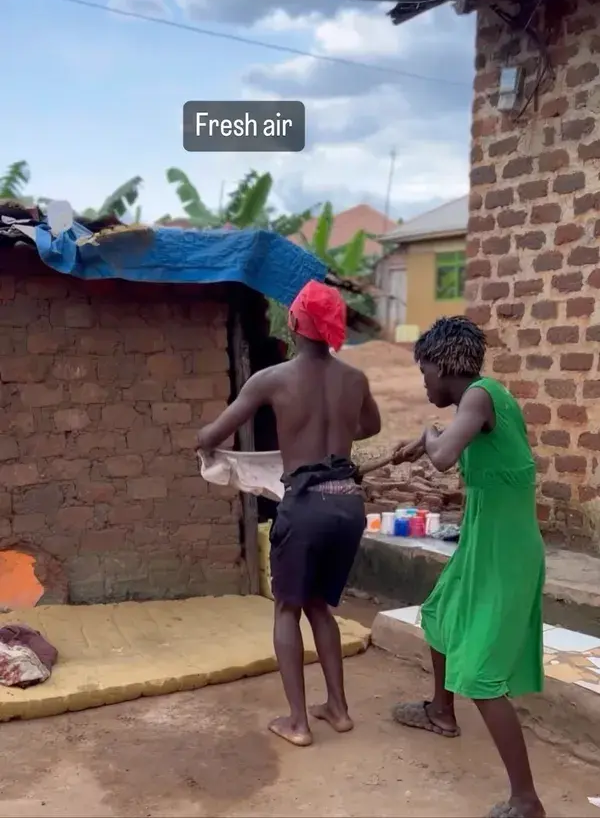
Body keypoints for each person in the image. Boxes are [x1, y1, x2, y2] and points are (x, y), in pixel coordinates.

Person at [196, 280, 381, 747]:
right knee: (320, 604)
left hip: (306, 503)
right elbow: (371, 425)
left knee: (287, 609)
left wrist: (206, 445)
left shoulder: (272, 380)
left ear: (295, 323)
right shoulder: (355, 379)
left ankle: (297, 722)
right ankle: (337, 708)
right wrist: (336, 429)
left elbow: (214, 434)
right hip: (347, 503)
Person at [392, 316, 545, 818]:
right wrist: (431, 437)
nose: (424, 382)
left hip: (505, 551)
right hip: (486, 539)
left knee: (480, 674)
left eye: (423, 373)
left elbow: (442, 457)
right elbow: (453, 443)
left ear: (442, 364)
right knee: (440, 615)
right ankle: (440, 712)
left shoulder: (479, 395)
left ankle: (526, 800)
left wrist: (428, 436)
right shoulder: (483, 402)